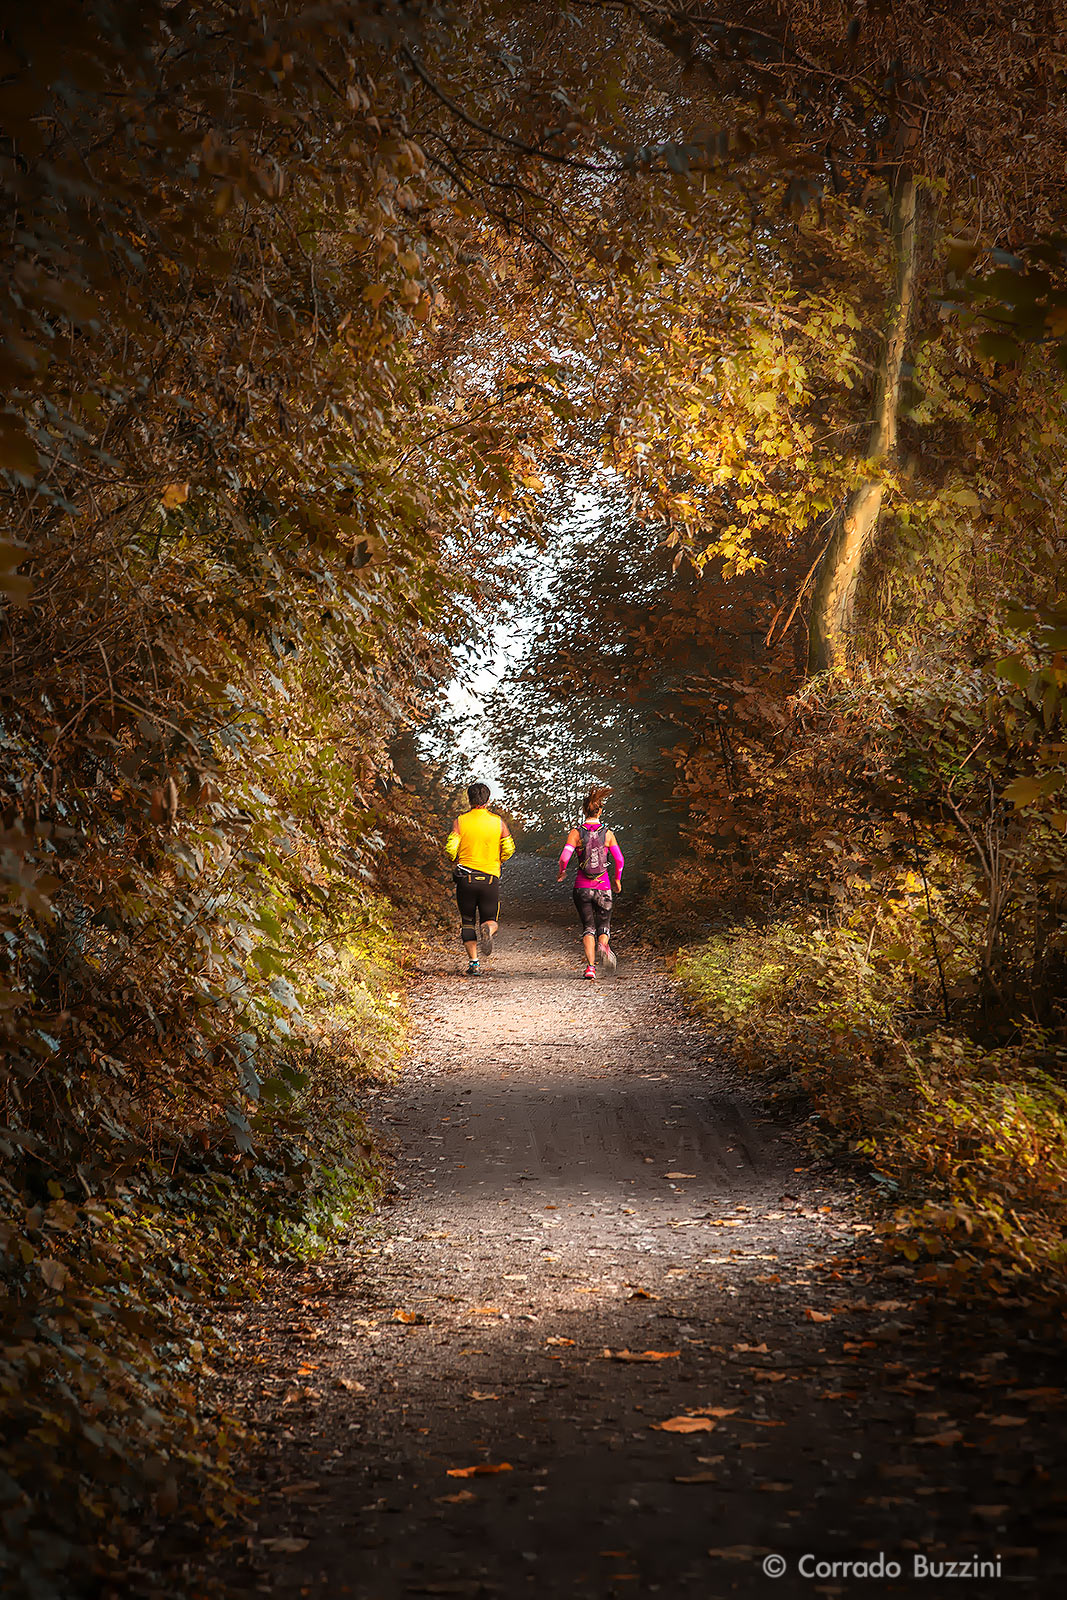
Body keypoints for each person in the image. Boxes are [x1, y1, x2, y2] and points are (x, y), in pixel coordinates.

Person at [445, 782, 515, 977]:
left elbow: (451, 849)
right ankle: (487, 930)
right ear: (488, 800)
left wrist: (455, 858)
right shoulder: (498, 822)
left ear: (469, 799)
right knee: (491, 919)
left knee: (467, 921)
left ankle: (474, 963)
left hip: (466, 878)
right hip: (490, 877)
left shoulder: (460, 821)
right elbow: (509, 848)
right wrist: (497, 860)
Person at [557, 786, 624, 979]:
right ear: (600, 811)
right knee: (604, 925)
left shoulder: (576, 833)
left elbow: (564, 857)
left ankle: (590, 968)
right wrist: (617, 879)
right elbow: (619, 860)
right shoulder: (608, 834)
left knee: (588, 927)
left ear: (584, 811)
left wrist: (562, 872)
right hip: (603, 887)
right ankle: (604, 945)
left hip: (582, 887)